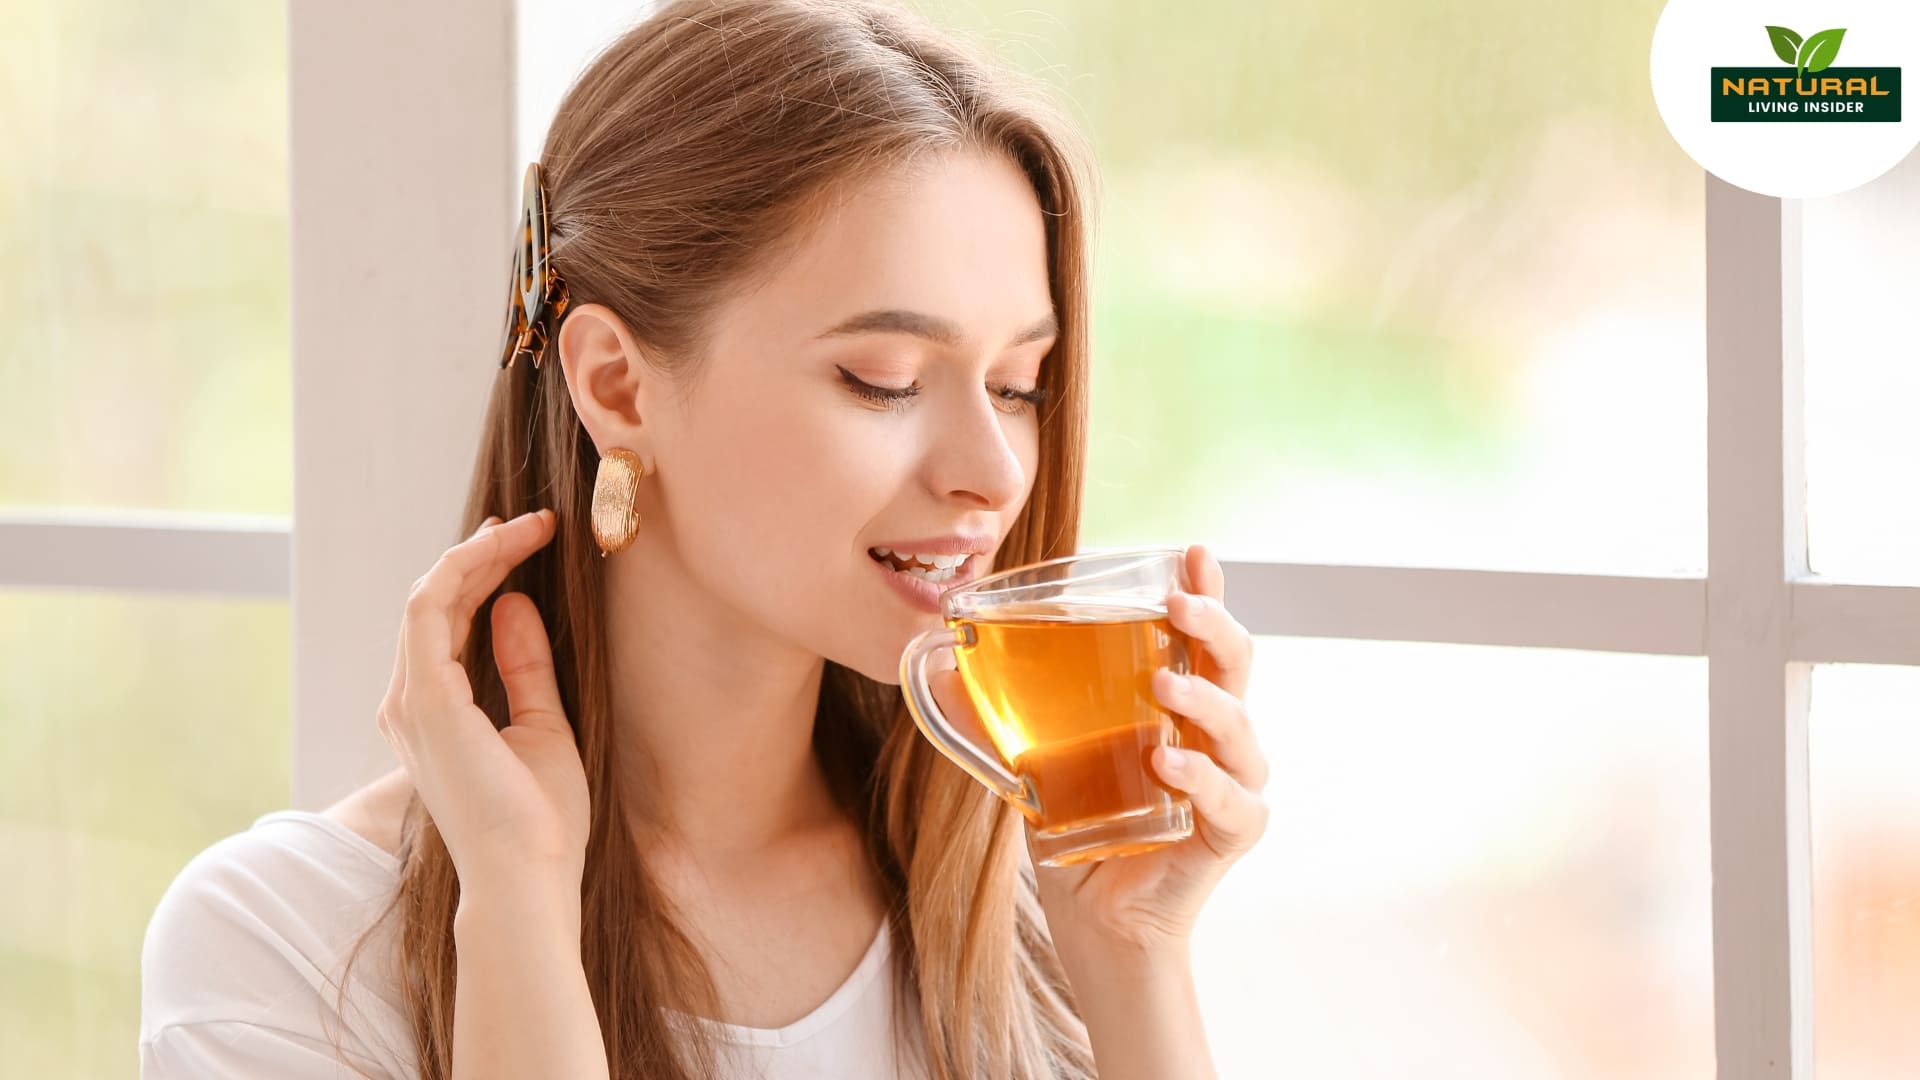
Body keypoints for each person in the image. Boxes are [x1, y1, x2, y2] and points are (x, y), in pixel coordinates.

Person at [137, 1, 1270, 1077]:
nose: (993, 472)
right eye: (883, 381)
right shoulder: (284, 945)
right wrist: (519, 916)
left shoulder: (1024, 913)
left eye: (1019, 384)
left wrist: (1132, 962)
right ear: (617, 385)